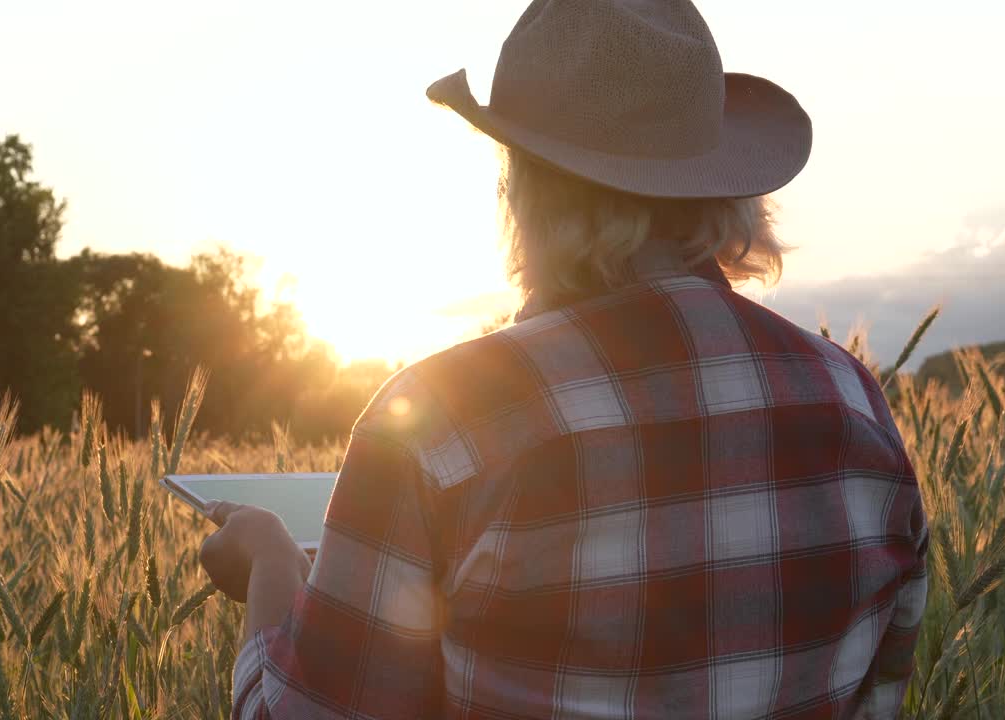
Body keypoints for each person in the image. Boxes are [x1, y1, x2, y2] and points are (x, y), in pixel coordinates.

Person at [199, 0, 929, 717]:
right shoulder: (853, 400)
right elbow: (880, 688)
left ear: (524, 193)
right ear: (721, 185)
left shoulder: (442, 419)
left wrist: (270, 565)